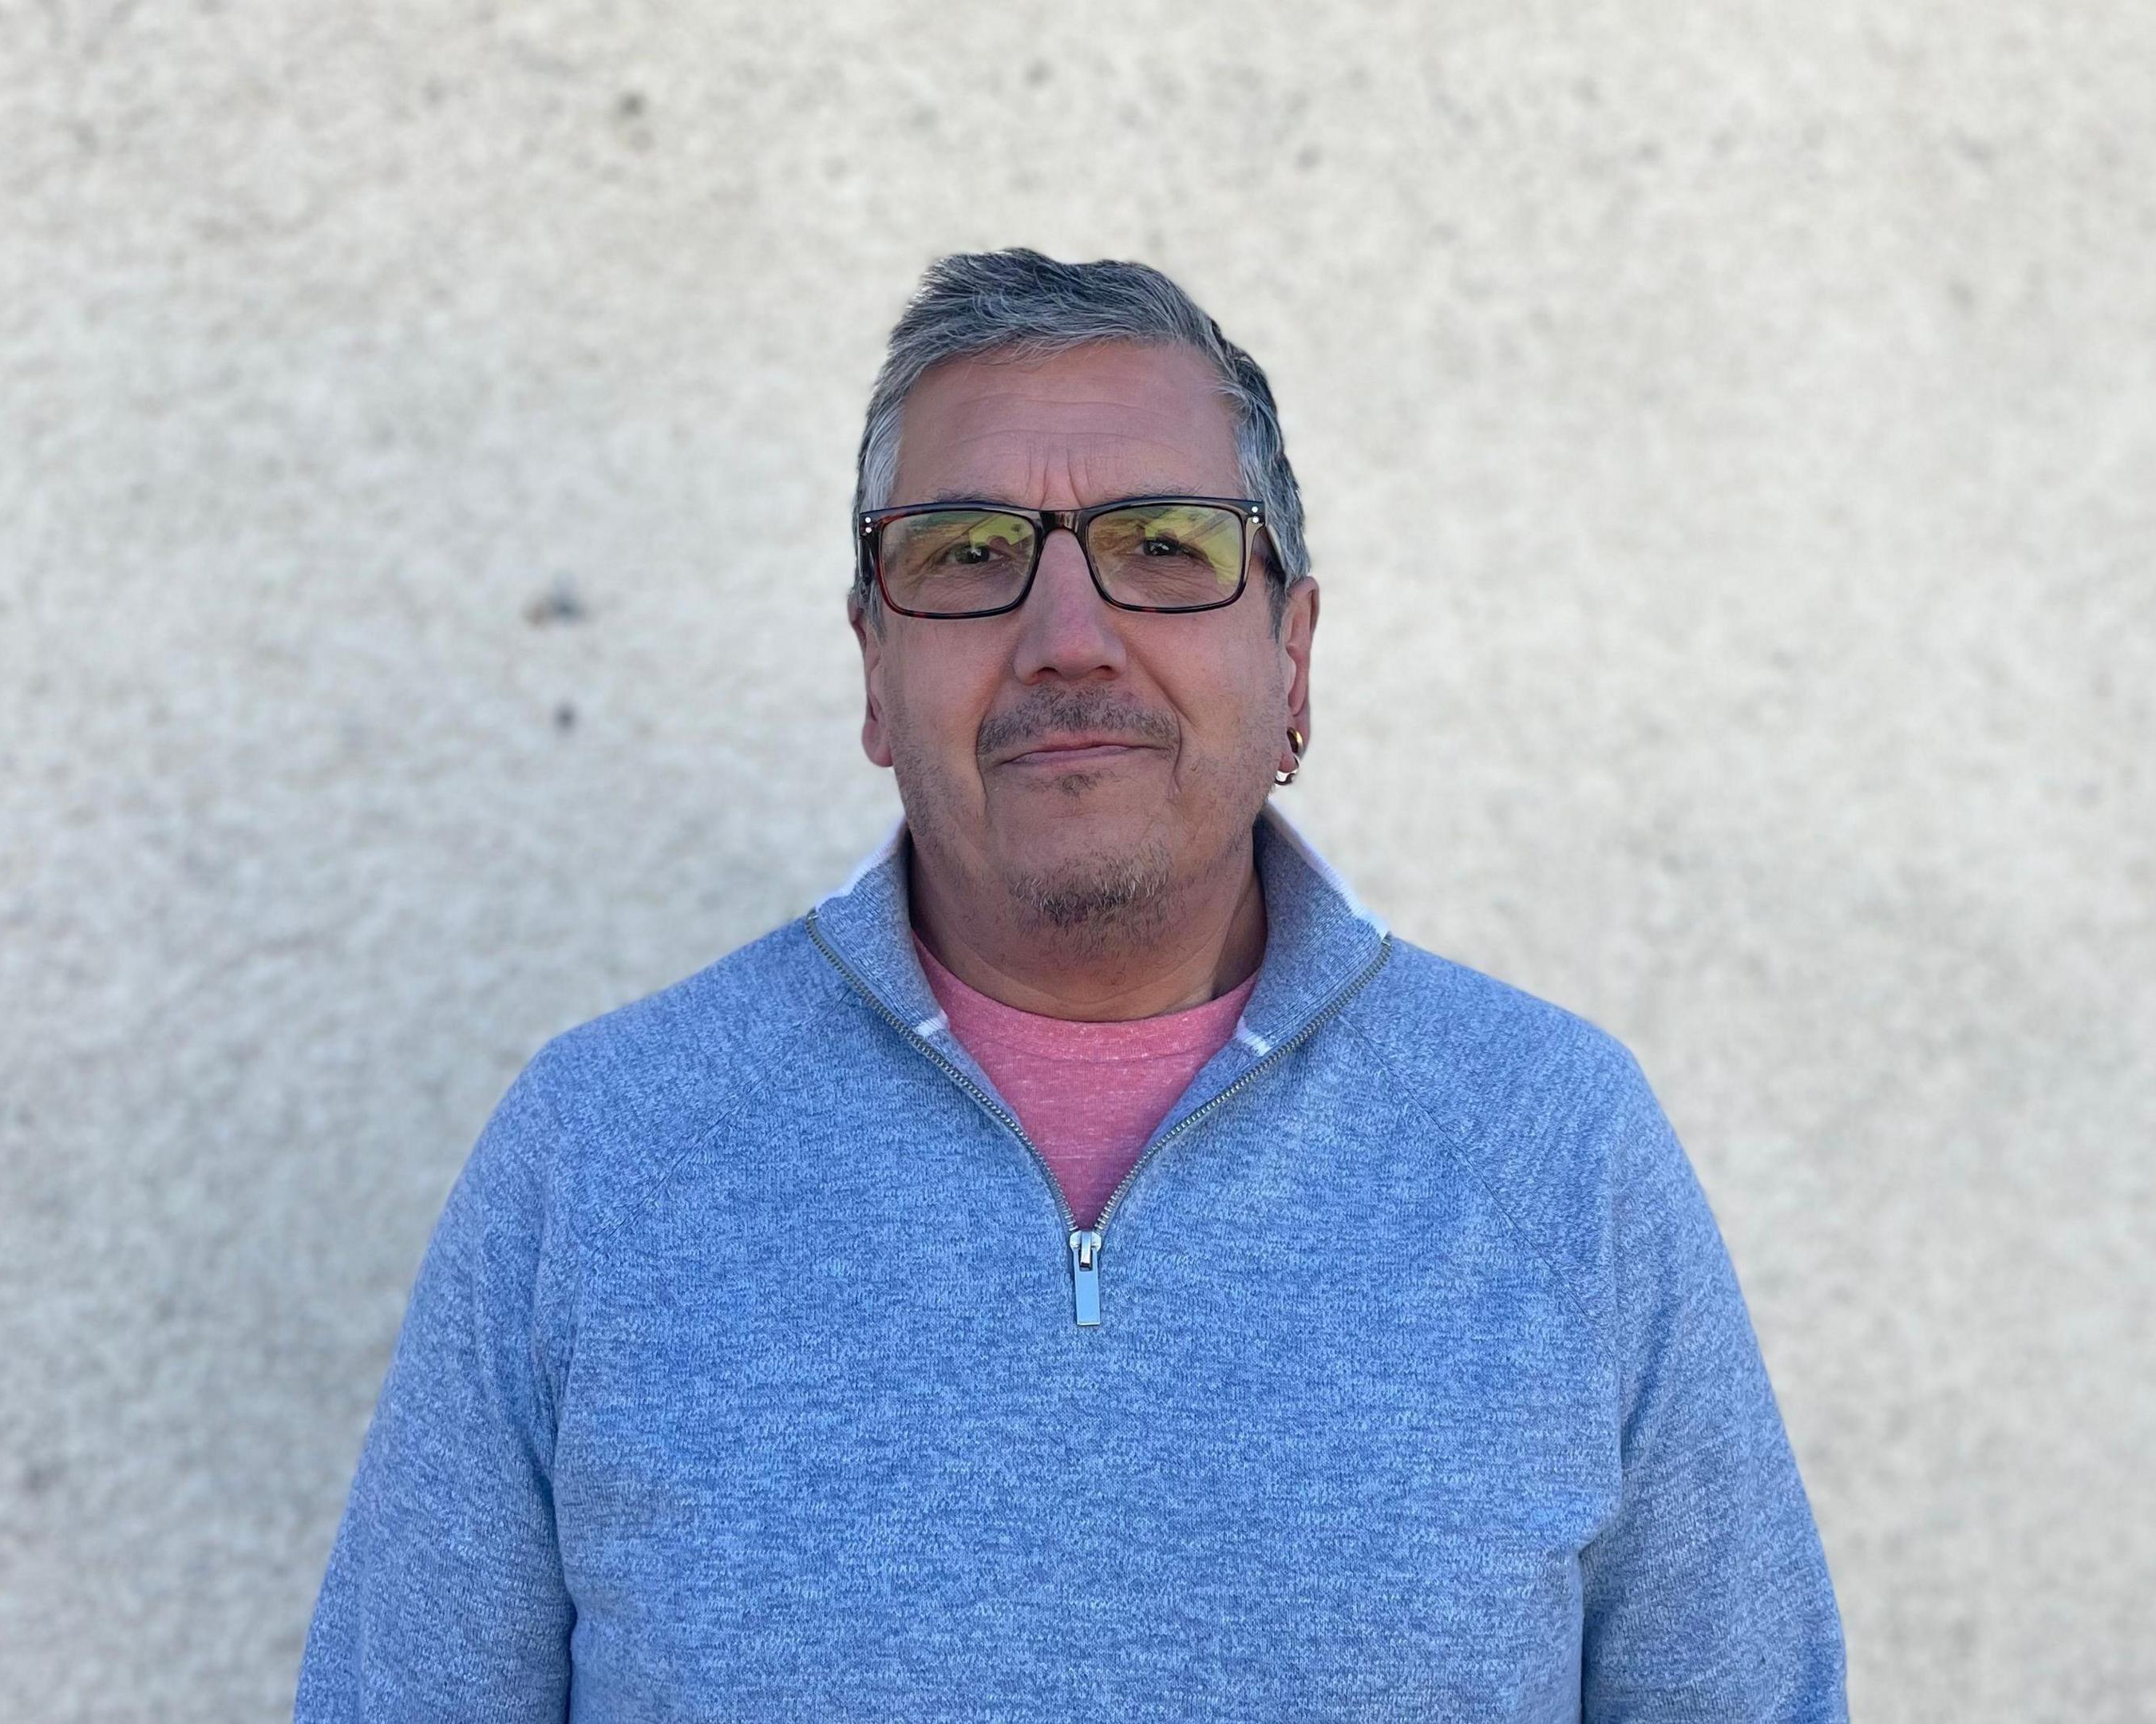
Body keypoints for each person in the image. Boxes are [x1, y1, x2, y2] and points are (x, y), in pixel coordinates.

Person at [295, 247, 1848, 1720]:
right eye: (966, 557)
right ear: (871, 672)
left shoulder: (1558, 1147)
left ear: (1292, 658)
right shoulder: (600, 1153)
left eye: (1163, 549)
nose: (1066, 637)